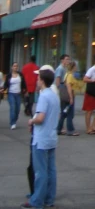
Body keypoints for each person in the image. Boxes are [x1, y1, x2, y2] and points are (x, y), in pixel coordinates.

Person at [21, 66, 59, 209]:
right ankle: (49, 199)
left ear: (42, 81)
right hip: (51, 137)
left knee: (40, 172)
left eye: (38, 78)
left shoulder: (43, 96)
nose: (37, 80)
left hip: (41, 138)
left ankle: (36, 201)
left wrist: (32, 121)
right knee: (51, 170)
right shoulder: (54, 95)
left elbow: (41, 117)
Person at [57, 60, 79, 136]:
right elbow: (69, 86)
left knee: (63, 113)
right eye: (75, 66)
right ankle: (70, 130)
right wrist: (71, 98)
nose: (76, 68)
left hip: (64, 97)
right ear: (73, 67)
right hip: (69, 96)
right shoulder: (70, 75)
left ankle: (58, 128)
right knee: (70, 114)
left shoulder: (67, 74)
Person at [4, 62, 27, 129]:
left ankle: (14, 120)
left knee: (17, 109)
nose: (15, 67)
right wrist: (3, 89)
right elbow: (6, 84)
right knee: (13, 108)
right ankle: (12, 123)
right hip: (11, 94)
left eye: (16, 66)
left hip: (18, 94)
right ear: (12, 67)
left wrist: (25, 90)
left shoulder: (20, 75)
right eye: (14, 66)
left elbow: (23, 83)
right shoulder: (9, 76)